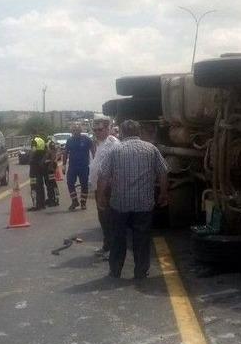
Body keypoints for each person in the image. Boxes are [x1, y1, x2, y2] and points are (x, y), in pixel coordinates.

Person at [97, 120, 168, 279]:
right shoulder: (151, 149)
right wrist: (163, 194)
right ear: (139, 132)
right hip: (144, 204)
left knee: (118, 237)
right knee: (142, 238)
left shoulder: (115, 150)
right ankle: (141, 272)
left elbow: (103, 176)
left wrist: (101, 197)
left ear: (122, 133)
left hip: (119, 204)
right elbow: (163, 172)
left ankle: (115, 270)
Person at [88, 116, 119, 258]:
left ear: (108, 128)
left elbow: (112, 170)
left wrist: (103, 192)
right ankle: (107, 247)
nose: (96, 132)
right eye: (94, 130)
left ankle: (113, 250)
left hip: (108, 189)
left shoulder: (112, 144)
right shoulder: (101, 143)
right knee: (103, 219)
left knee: (109, 220)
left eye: (99, 129)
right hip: (99, 187)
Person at [62, 123, 95, 211]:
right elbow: (65, 153)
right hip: (73, 166)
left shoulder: (86, 139)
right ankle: (74, 201)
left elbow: (93, 150)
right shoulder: (69, 140)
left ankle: (83, 203)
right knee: (70, 183)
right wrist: (64, 165)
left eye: (77, 130)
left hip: (84, 166)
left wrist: (95, 162)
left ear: (80, 131)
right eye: (74, 130)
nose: (75, 132)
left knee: (84, 184)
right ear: (72, 131)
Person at [27, 135, 47, 211]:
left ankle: (35, 205)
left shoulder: (34, 141)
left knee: (33, 186)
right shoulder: (42, 141)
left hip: (34, 166)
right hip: (41, 166)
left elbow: (33, 151)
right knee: (41, 185)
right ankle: (42, 204)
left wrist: (30, 160)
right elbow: (46, 152)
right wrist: (42, 161)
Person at [44, 136, 60, 207]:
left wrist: (47, 162)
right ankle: (53, 198)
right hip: (51, 168)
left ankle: (53, 199)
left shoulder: (50, 148)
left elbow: (52, 158)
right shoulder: (52, 147)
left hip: (50, 169)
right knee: (52, 184)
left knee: (51, 184)